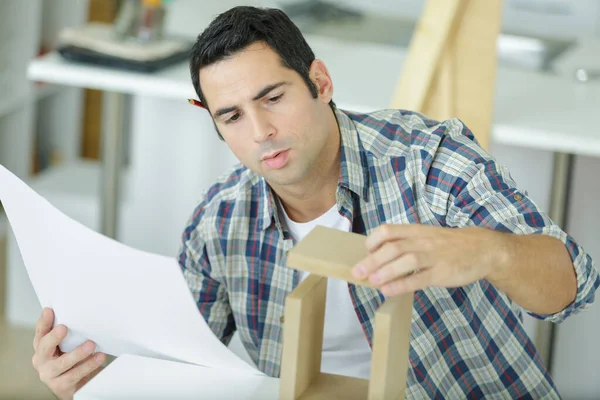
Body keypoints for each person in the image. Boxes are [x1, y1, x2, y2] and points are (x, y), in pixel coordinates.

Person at [32, 5, 599, 399]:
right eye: (231, 116)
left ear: (320, 82)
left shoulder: (428, 161)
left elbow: (576, 286)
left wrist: (488, 253)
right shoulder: (219, 222)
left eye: (272, 97)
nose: (260, 132)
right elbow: (181, 362)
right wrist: (94, 377)